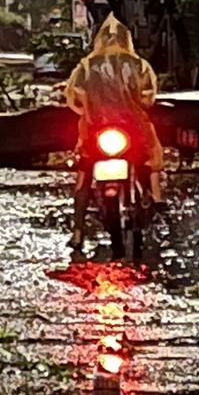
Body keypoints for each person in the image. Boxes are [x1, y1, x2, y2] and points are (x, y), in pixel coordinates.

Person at [63, 16, 166, 247]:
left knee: (83, 177)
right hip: (132, 128)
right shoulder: (138, 64)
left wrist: (86, 109)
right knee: (150, 159)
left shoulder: (87, 66)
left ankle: (78, 232)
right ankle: (156, 198)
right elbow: (148, 96)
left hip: (96, 128)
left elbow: (74, 95)